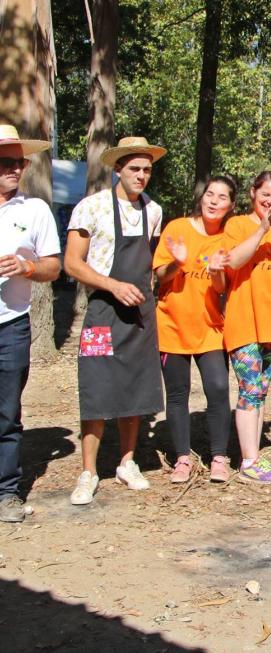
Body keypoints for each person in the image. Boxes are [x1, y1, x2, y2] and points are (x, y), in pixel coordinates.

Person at [65, 137, 167, 505]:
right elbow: (72, 263)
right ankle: (88, 471)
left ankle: (127, 461)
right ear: (118, 170)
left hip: (139, 311)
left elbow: (152, 262)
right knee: (96, 385)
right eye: (135, 169)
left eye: (147, 170)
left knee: (136, 386)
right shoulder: (90, 208)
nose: (142, 176)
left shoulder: (153, 210)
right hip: (103, 312)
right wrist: (113, 286)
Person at [152, 175, 236, 484]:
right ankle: (183, 459)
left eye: (222, 197)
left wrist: (215, 272)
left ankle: (218, 457)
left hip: (211, 328)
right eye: (210, 194)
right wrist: (178, 262)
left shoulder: (227, 238)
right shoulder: (177, 229)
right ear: (201, 198)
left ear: (231, 205)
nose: (214, 201)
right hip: (171, 326)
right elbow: (161, 276)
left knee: (217, 388)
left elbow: (223, 288)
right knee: (177, 394)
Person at [223, 171, 271, 484]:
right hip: (244, 322)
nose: (269, 201)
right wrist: (261, 229)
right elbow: (233, 261)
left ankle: (252, 453)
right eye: (265, 194)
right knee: (250, 389)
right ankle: (248, 461)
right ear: (253, 193)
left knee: (261, 392)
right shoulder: (238, 224)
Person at [0, 126, 61, 522]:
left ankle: (5, 492)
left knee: (7, 412)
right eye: (8, 162)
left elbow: (54, 266)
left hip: (12, 327)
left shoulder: (35, 210)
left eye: (20, 162)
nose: (16, 169)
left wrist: (27, 266)